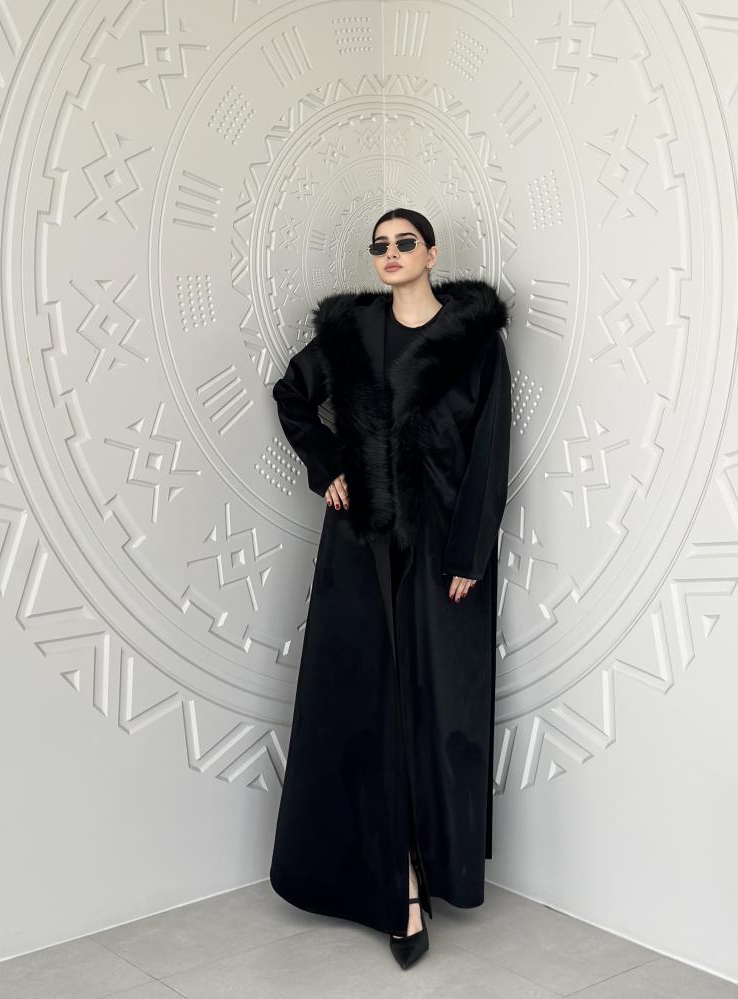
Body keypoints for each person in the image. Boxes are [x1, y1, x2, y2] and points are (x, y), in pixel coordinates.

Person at [269, 207, 512, 969]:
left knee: (436, 708)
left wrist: (470, 552)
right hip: (360, 542)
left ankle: (427, 866)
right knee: (362, 705)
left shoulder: (475, 340)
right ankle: (393, 886)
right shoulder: (350, 332)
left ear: (432, 253)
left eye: (405, 242)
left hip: (443, 546)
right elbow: (291, 395)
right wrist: (327, 466)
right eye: (380, 245)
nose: (391, 253)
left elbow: (491, 448)